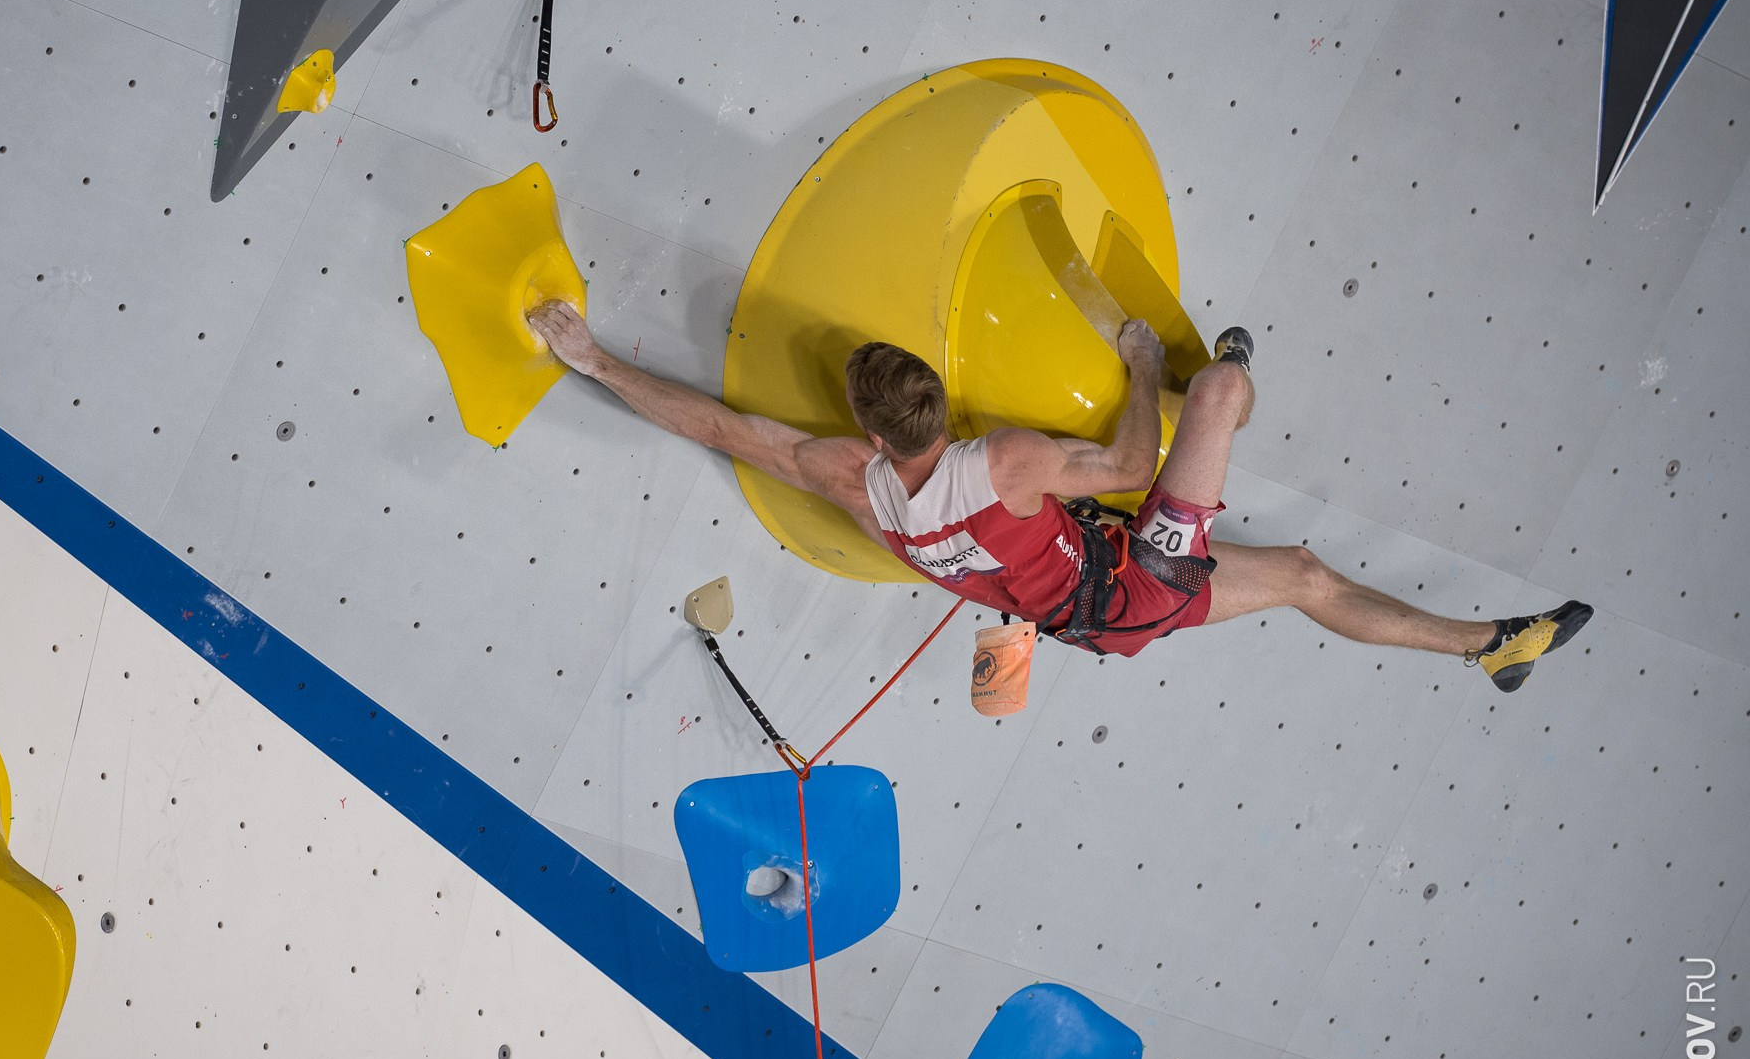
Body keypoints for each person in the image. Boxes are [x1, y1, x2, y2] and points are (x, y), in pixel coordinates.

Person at [525, 301, 1590, 692]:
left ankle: (1486, 649)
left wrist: (592, 360)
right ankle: (1223, 380)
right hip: (1136, 578)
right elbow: (1127, 465)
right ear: (940, 404)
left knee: (1306, 576)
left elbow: (716, 426)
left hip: (1094, 620)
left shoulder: (850, 484)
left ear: (871, 435)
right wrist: (1141, 363)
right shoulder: (1006, 462)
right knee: (1219, 394)